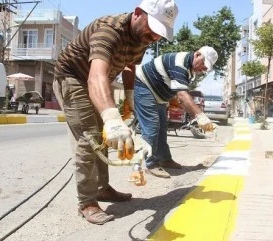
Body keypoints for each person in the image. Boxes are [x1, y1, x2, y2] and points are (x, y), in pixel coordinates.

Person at [52, 0, 178, 225]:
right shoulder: (109, 30)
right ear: (138, 13)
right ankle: (87, 202)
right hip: (73, 78)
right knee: (88, 138)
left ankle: (102, 189)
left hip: (100, 80)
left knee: (104, 135)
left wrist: (129, 96)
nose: (154, 38)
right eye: (152, 30)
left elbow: (130, 66)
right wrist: (112, 117)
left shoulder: (144, 36)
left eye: (159, 34)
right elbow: (96, 76)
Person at [133, 46, 218, 178]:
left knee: (162, 128)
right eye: (203, 65)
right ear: (197, 55)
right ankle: (151, 164)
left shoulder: (189, 68)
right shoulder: (180, 63)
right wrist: (200, 115)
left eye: (206, 68)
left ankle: (165, 159)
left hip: (158, 95)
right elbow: (182, 94)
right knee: (152, 127)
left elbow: (178, 89)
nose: (203, 69)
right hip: (144, 88)